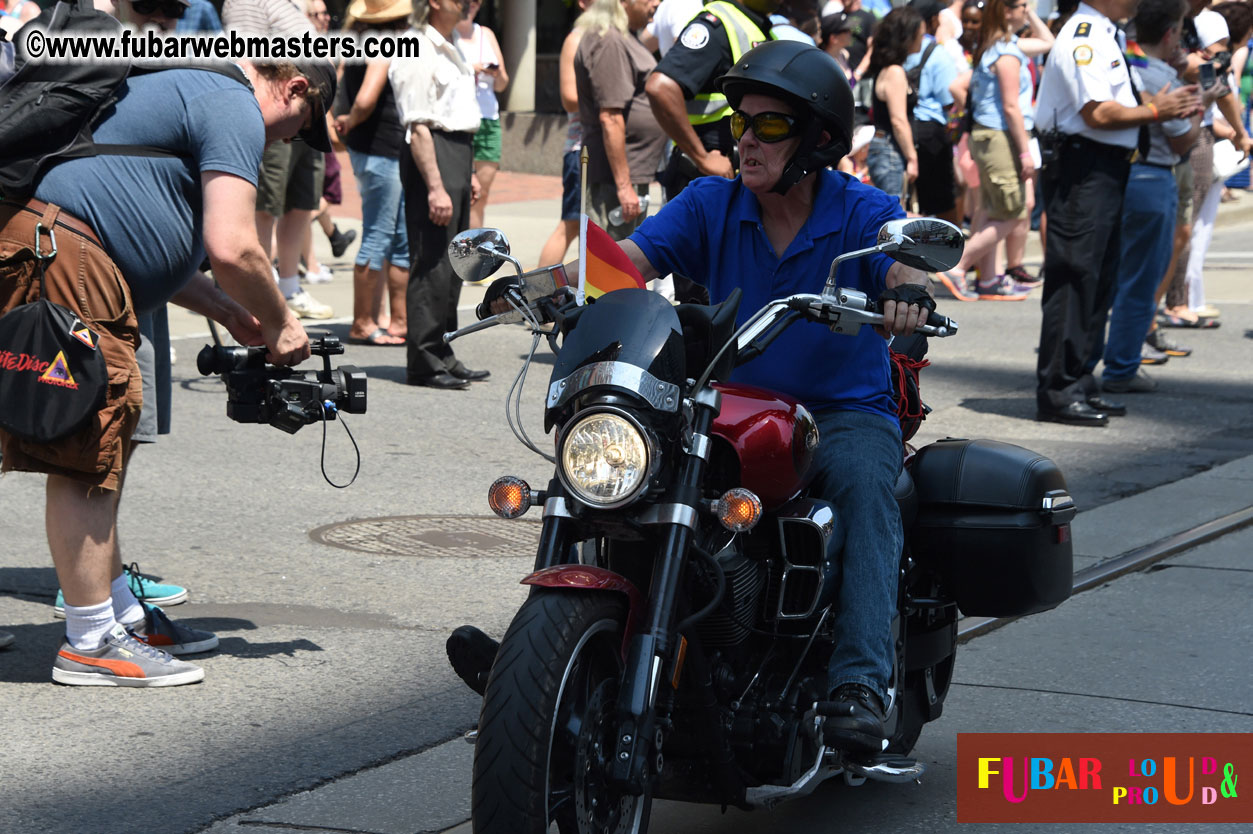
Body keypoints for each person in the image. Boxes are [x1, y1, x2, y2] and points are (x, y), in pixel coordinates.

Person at [453, 40, 939, 753]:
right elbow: (625, 267)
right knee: (615, 467)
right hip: (721, 406)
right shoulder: (711, 201)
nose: (744, 140)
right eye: (738, 123)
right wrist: (539, 288)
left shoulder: (859, 209)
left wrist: (909, 299)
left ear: (818, 140)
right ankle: (546, 652)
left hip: (839, 412)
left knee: (868, 488)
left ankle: (857, 682)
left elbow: (898, 267)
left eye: (769, 126)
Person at [0, 57, 329, 686]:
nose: (290, 141)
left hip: (51, 245)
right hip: (65, 254)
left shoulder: (185, 86)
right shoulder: (233, 104)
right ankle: (92, 642)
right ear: (295, 87)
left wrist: (232, 312)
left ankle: (115, 611)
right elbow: (234, 246)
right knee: (87, 445)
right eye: (302, 126)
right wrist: (283, 322)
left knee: (103, 441)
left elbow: (153, 231)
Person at [1032, 0, 1199, 426]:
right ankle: (1059, 389)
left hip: (1104, 167)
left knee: (1099, 279)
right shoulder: (1085, 36)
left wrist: (1152, 105)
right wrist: (1159, 110)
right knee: (1075, 278)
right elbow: (1098, 112)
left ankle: (1082, 380)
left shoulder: (1105, 32)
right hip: (1082, 166)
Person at [1098, 0, 1213, 393]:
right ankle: (1122, 366)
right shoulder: (1164, 75)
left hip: (1116, 173)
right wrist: (1203, 105)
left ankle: (1100, 360)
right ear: (1170, 33)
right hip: (1153, 176)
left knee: (1110, 275)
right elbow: (1183, 140)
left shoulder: (1126, 65)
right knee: (1140, 278)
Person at [645, 0, 784, 303]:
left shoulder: (756, 24)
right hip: (704, 180)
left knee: (732, 299)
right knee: (702, 305)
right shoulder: (717, 23)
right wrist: (701, 156)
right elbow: (660, 87)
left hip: (735, 181)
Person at [389, 0, 489, 390]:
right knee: (432, 259)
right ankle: (425, 360)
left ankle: (444, 350)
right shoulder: (416, 45)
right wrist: (435, 185)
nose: (469, 3)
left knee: (455, 259)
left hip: (457, 152)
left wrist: (470, 172)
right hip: (433, 153)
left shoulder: (451, 46)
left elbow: (458, 113)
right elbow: (418, 125)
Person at [223, 0, 335, 321]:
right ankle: (257, 291)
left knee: (302, 201)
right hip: (278, 104)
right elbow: (244, 56)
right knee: (266, 205)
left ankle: (289, 285)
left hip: (307, 107)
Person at [935, 0, 1052, 300]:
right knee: (1013, 211)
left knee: (993, 209)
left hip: (991, 136)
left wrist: (1030, 15)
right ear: (1007, 10)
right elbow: (1011, 107)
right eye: (1023, 5)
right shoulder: (1006, 51)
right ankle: (958, 266)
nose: (1027, 9)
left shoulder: (1002, 45)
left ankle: (988, 279)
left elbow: (1047, 42)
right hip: (1000, 136)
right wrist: (1025, 153)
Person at [336, 0, 412, 346]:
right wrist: (351, 121)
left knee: (398, 239)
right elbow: (366, 98)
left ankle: (399, 320)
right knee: (381, 236)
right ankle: (362, 322)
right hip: (381, 150)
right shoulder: (383, 43)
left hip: (382, 150)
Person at [575, 0, 667, 239]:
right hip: (615, 181)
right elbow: (610, 117)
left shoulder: (622, 37)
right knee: (610, 267)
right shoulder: (609, 41)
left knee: (626, 265)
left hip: (628, 174)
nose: (657, 2)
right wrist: (624, 187)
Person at [537, 0, 594, 269]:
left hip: (602, 149)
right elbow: (570, 98)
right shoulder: (576, 38)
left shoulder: (615, 36)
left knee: (592, 228)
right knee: (570, 225)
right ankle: (533, 295)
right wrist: (610, 102)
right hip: (581, 149)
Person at [904, 0, 962, 226]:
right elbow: (949, 100)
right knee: (943, 200)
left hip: (905, 127)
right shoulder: (937, 52)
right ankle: (952, 254)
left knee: (908, 200)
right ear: (933, 20)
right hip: (932, 134)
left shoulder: (897, 49)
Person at [456, 0, 509, 230]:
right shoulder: (448, 35)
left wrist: (493, 72)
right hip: (459, 121)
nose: (473, 4)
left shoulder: (485, 33)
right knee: (460, 192)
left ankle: (472, 254)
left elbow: (502, 83)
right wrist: (470, 69)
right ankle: (455, 247)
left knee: (481, 196)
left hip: (488, 120)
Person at [865, 7, 923, 208]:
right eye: (920, 35)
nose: (923, 39)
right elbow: (898, 120)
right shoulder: (895, 72)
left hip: (884, 149)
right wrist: (912, 157)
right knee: (892, 216)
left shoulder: (887, 68)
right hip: (889, 151)